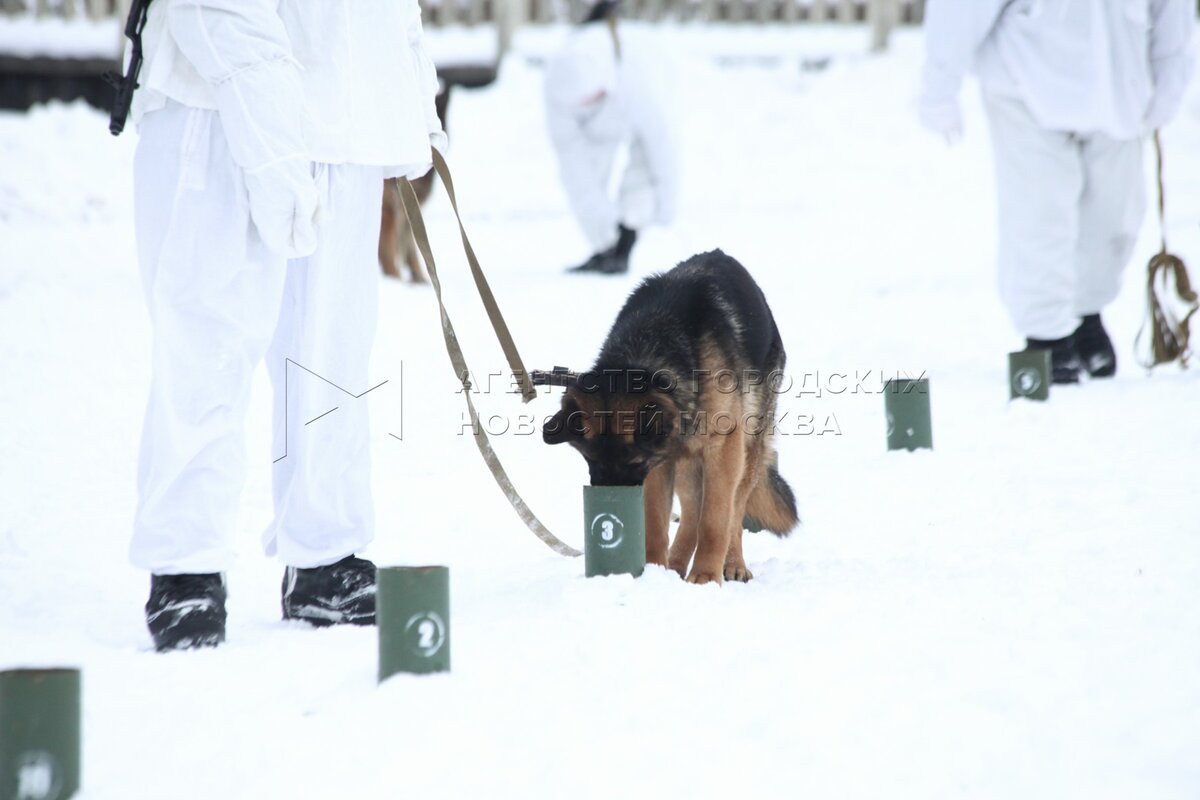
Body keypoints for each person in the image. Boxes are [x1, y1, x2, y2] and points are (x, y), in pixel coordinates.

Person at [128, 0, 444, 651]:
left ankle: (325, 553)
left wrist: (411, 96)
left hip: (350, 114)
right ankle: (186, 565)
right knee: (207, 344)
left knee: (332, 356)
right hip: (217, 105)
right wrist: (273, 152)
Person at [919, 0, 1195, 382]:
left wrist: (1170, 79)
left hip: (1120, 80)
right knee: (1039, 213)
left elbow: (1173, 12)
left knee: (1114, 215)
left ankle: (1086, 316)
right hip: (1026, 74)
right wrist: (939, 85)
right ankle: (1046, 336)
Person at [544, 1, 679, 275]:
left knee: (643, 170)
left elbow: (662, 143)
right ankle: (606, 248)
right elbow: (574, 167)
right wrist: (604, 229)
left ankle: (627, 234)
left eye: (595, 96)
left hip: (637, 97)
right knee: (585, 173)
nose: (591, 102)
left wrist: (666, 206)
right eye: (585, 101)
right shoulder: (557, 91)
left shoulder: (638, 75)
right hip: (596, 119)